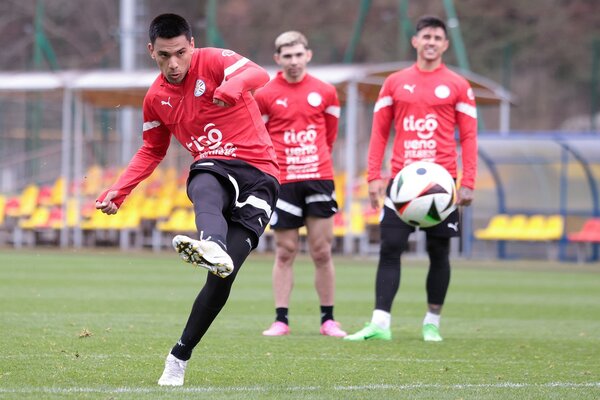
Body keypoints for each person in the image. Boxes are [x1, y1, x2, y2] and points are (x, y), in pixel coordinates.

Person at [95, 13, 279, 386]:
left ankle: (179, 354)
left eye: (180, 52)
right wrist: (121, 188)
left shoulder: (213, 60)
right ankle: (210, 243)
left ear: (192, 45)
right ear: (151, 51)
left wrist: (233, 86)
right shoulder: (155, 99)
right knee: (204, 175)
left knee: (222, 277)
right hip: (215, 166)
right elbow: (151, 150)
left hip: (261, 174)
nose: (174, 63)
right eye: (164, 56)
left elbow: (260, 74)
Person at [344, 15, 477, 342]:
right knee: (390, 247)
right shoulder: (394, 82)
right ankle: (380, 323)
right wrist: (373, 175)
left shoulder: (459, 85)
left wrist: (469, 180)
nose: (431, 42)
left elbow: (470, 136)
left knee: (439, 252)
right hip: (401, 184)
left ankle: (432, 322)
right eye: (425, 37)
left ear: (445, 45)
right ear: (415, 42)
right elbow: (379, 131)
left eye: (437, 38)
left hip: (441, 186)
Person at [254, 31, 346, 337]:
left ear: (308, 55)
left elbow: (330, 135)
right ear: (278, 59)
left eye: (298, 55)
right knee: (285, 251)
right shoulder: (265, 94)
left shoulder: (326, 92)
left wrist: (315, 159)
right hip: (283, 181)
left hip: (318, 177)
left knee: (322, 251)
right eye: (287, 56)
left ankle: (328, 320)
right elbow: (261, 137)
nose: (293, 61)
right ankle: (281, 319)